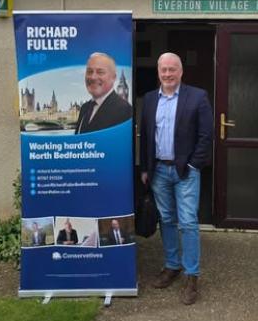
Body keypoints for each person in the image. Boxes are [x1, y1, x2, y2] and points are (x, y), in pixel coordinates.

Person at [139, 52, 213, 305]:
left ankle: (191, 275)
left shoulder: (197, 97)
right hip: (159, 170)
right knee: (167, 219)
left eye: (172, 69)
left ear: (181, 72)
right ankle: (172, 266)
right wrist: (145, 168)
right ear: (158, 72)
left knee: (189, 222)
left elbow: (206, 136)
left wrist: (193, 164)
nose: (168, 74)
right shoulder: (149, 100)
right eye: (163, 70)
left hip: (185, 171)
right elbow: (145, 135)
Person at [75, 52, 132, 134]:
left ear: (113, 78)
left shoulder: (124, 110)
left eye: (100, 72)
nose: (93, 77)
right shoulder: (84, 108)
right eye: (89, 72)